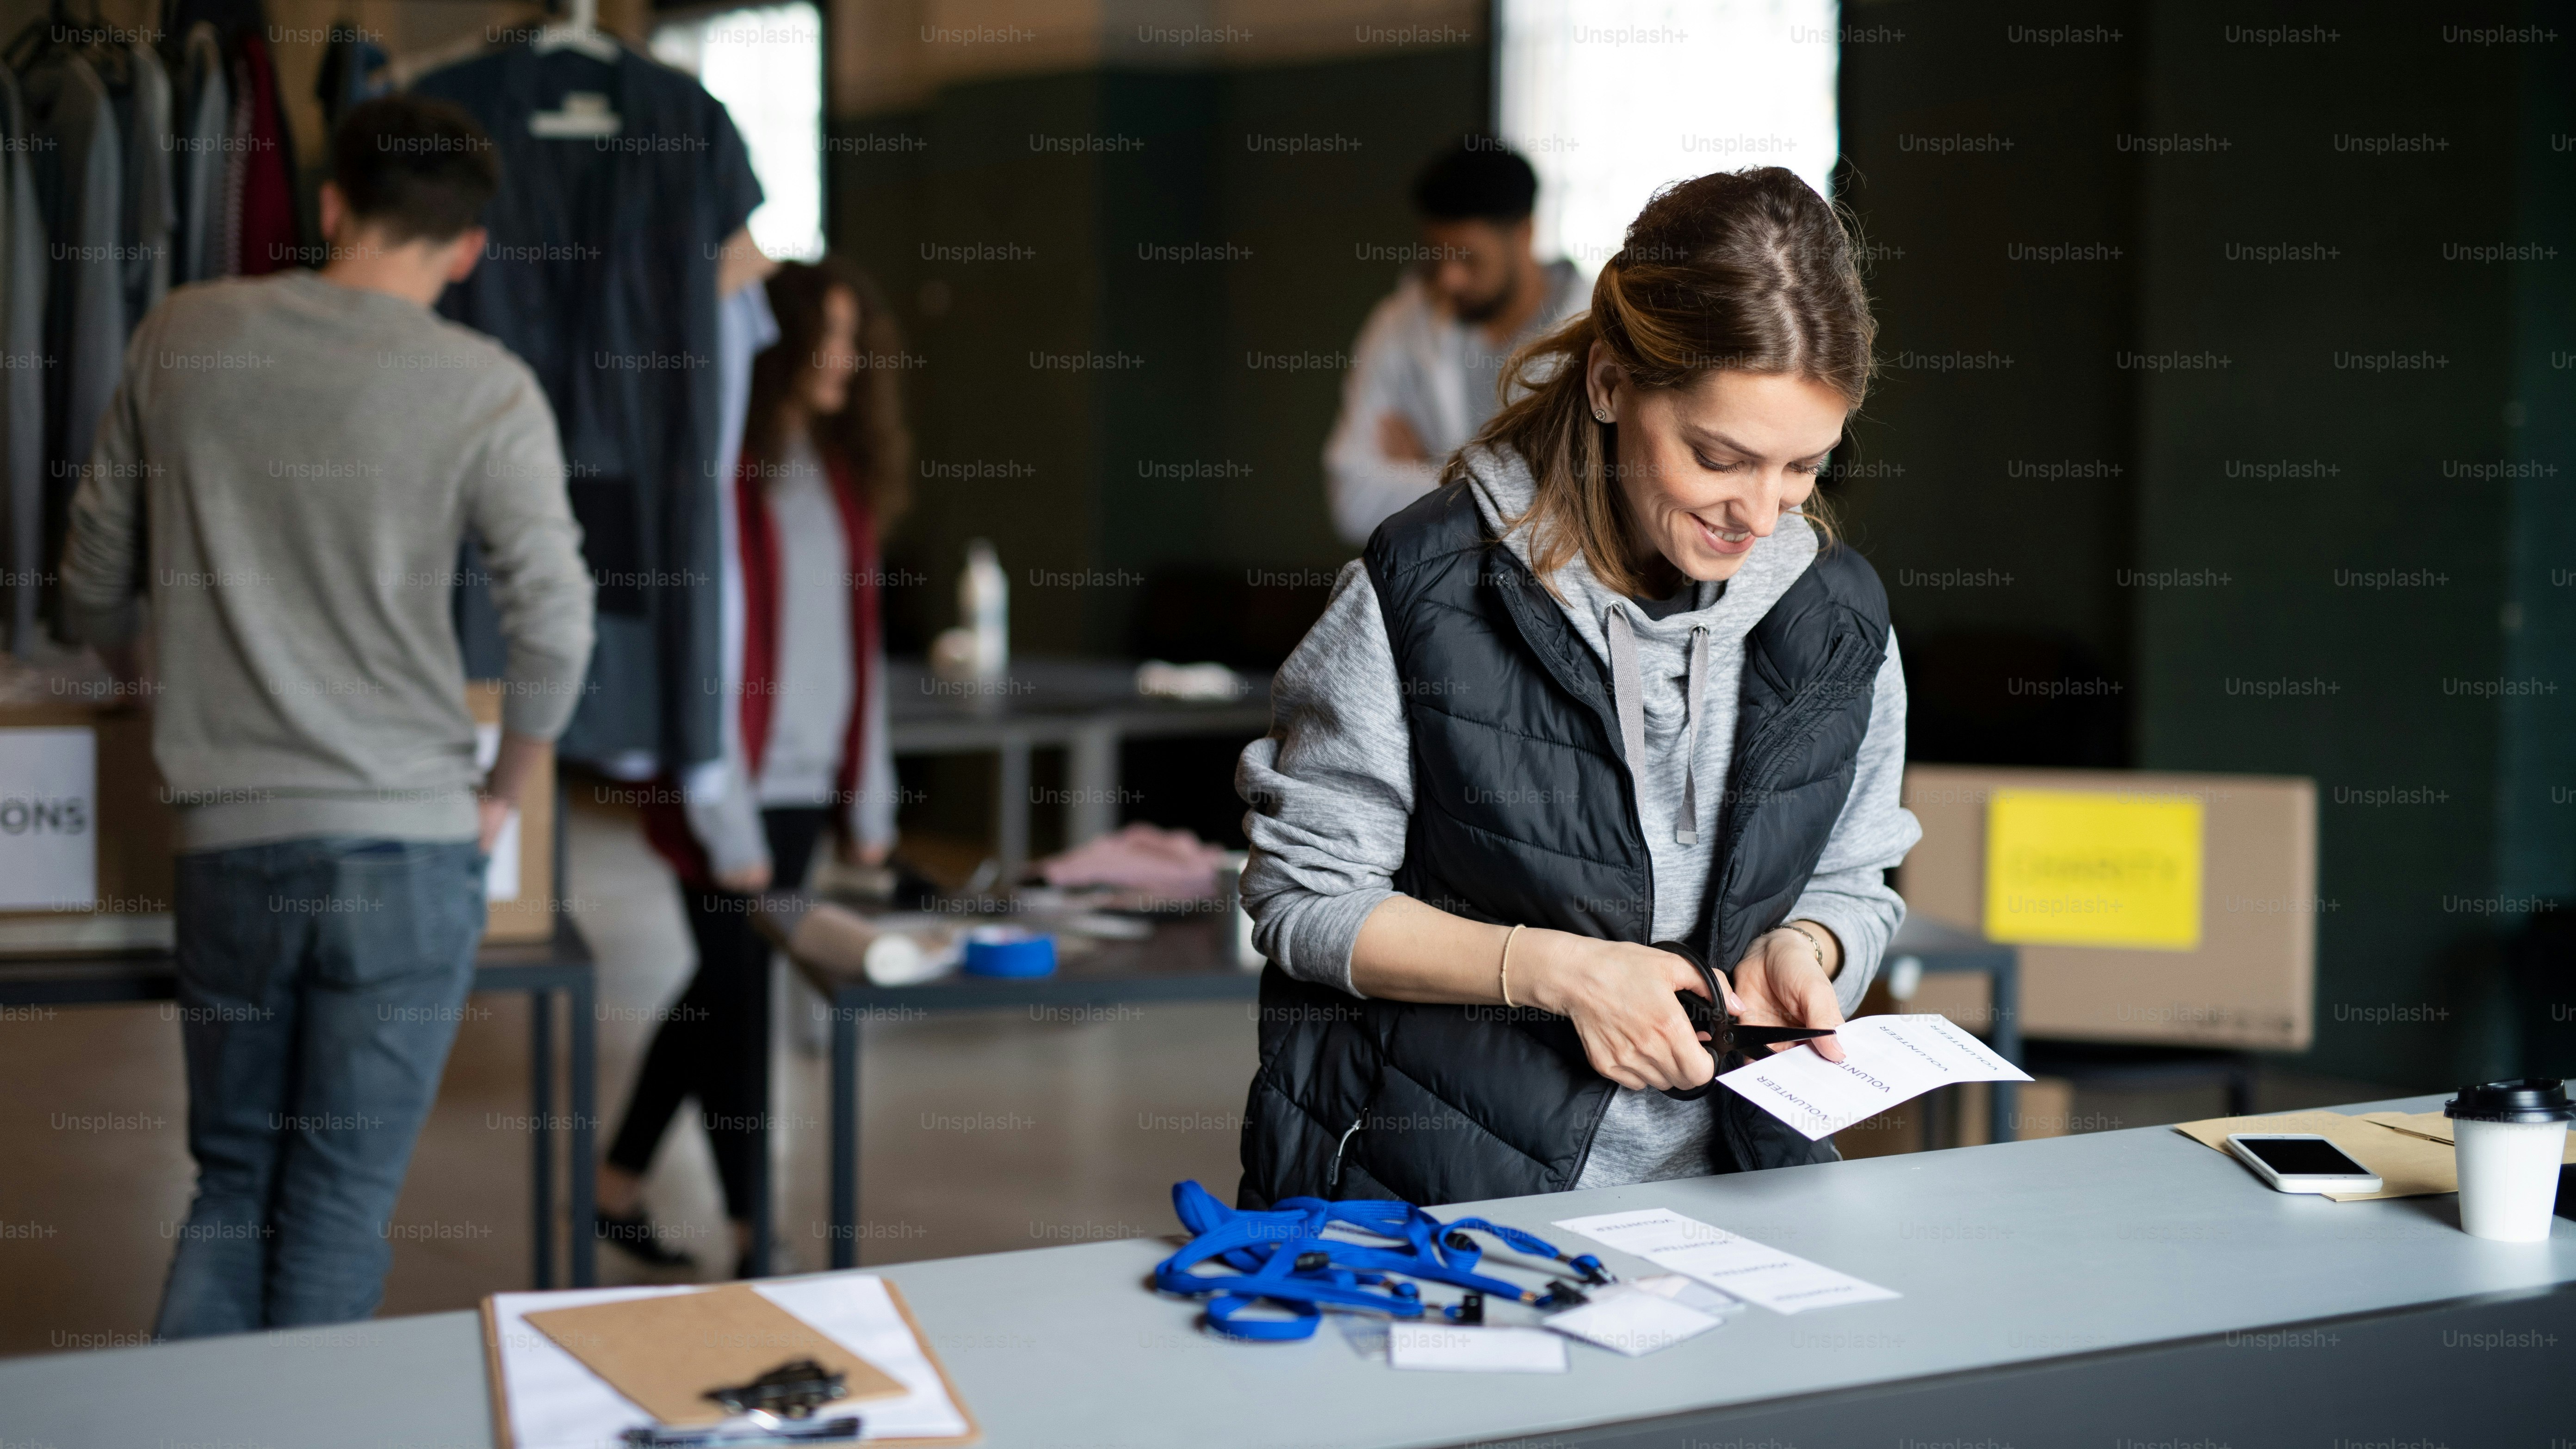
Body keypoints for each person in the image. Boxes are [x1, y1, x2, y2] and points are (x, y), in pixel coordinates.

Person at [1237, 168, 1920, 1207]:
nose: (1761, 514)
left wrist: (1808, 945)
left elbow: (1855, 878)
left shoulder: (1838, 618)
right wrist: (1561, 973)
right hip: (1441, 1201)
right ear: (1609, 385)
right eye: (1719, 457)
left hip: (1740, 1195)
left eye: (1803, 467)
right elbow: (1303, 898)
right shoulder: (1421, 592)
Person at [60, 96, 595, 1334]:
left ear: (334, 206)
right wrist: (502, 792)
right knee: (341, 1204)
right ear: (469, 250)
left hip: (232, 849)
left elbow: (88, 581)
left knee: (235, 1180)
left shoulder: (183, 335)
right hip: (409, 846)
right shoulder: (486, 387)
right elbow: (558, 629)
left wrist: (159, 690)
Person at [607, 257, 909, 1277]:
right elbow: (699, 657)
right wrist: (724, 819)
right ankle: (753, 1233)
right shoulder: (724, 473)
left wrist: (868, 795)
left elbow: (856, 643)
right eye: (825, 333)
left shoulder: (839, 470)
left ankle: (616, 1183)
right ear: (773, 344)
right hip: (720, 790)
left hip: (803, 788)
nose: (844, 355)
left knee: (726, 986)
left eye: (851, 333)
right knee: (737, 995)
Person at [1324, 136, 1585, 547]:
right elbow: (1352, 500)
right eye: (1435, 255)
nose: (1449, 279)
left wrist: (1433, 470)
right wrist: (1505, 487)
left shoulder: (1597, 334)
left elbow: (1579, 512)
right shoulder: (1398, 326)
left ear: (1526, 234)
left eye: (1468, 258)